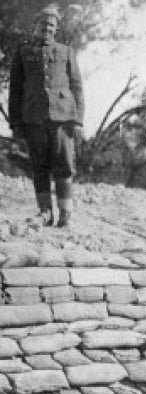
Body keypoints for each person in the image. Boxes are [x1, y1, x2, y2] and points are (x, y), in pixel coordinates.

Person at [7, 5, 84, 228]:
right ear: (36, 25)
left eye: (51, 25)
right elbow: (15, 90)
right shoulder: (23, 53)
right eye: (43, 24)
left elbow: (77, 87)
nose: (47, 28)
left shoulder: (67, 51)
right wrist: (16, 123)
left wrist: (78, 119)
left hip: (63, 118)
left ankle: (65, 213)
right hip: (33, 118)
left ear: (56, 29)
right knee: (39, 166)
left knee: (64, 165)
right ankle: (45, 212)